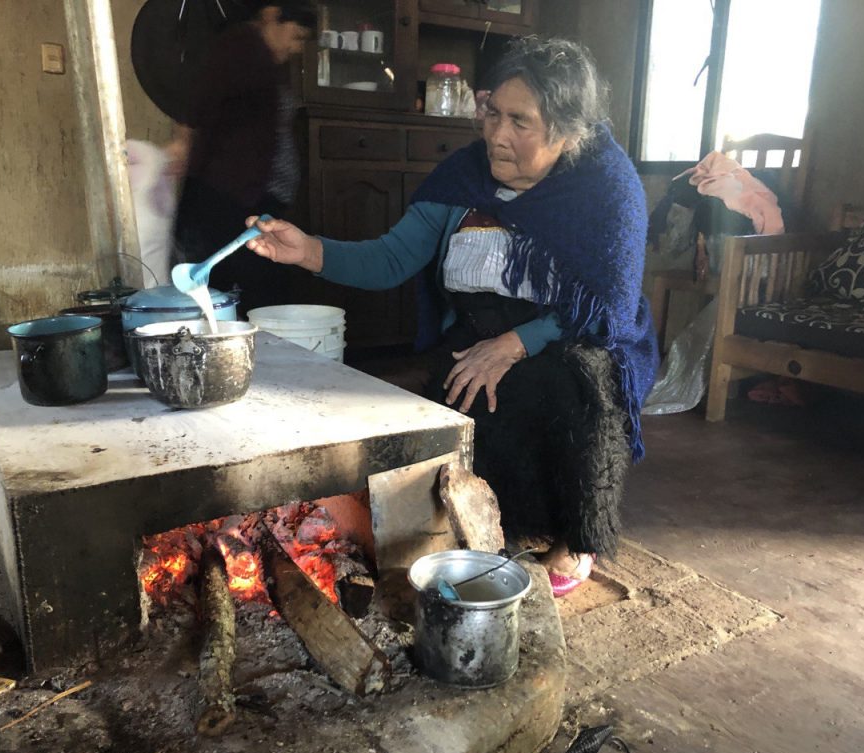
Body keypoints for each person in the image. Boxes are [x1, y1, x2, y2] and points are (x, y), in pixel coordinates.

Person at [243, 37, 658, 597]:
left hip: (574, 335)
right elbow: (390, 258)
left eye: (520, 122)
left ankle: (574, 536)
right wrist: (308, 250)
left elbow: (610, 304)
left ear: (566, 129)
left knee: (576, 383)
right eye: (493, 115)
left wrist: (515, 342)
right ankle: (495, 521)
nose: (497, 135)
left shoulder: (606, 186)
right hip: (475, 331)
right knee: (453, 396)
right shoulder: (463, 177)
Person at [171, 1, 315, 313]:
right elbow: (201, 97)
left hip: (250, 197)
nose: (297, 47)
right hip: (230, 197)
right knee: (249, 290)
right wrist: (181, 141)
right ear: (271, 15)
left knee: (260, 287)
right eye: (297, 35)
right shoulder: (240, 46)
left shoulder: (261, 58)